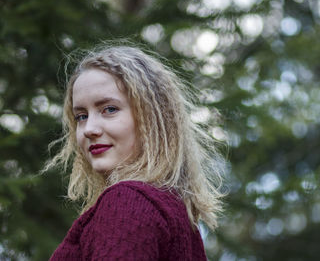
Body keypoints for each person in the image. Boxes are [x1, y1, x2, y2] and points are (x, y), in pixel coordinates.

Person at [46, 44, 224, 260]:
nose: (90, 129)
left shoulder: (128, 202)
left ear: (153, 118)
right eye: (81, 116)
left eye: (109, 109)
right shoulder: (173, 212)